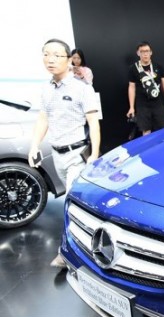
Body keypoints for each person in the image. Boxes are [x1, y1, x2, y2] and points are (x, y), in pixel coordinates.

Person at [28, 38, 101, 269]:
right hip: (56, 155)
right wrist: (34, 145)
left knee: (70, 203)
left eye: (56, 55)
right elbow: (43, 118)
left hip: (77, 155)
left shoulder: (82, 88)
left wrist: (94, 154)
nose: (50, 59)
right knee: (74, 204)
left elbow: (93, 122)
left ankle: (66, 253)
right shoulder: (46, 89)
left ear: (69, 60)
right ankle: (90, 244)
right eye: (46, 54)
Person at [126, 41, 164, 136]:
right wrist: (131, 107)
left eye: (147, 51)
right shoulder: (133, 69)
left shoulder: (158, 67)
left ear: (151, 52)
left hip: (157, 103)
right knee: (146, 130)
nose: (145, 54)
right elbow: (131, 87)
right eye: (142, 51)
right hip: (142, 105)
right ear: (138, 53)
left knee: (163, 129)